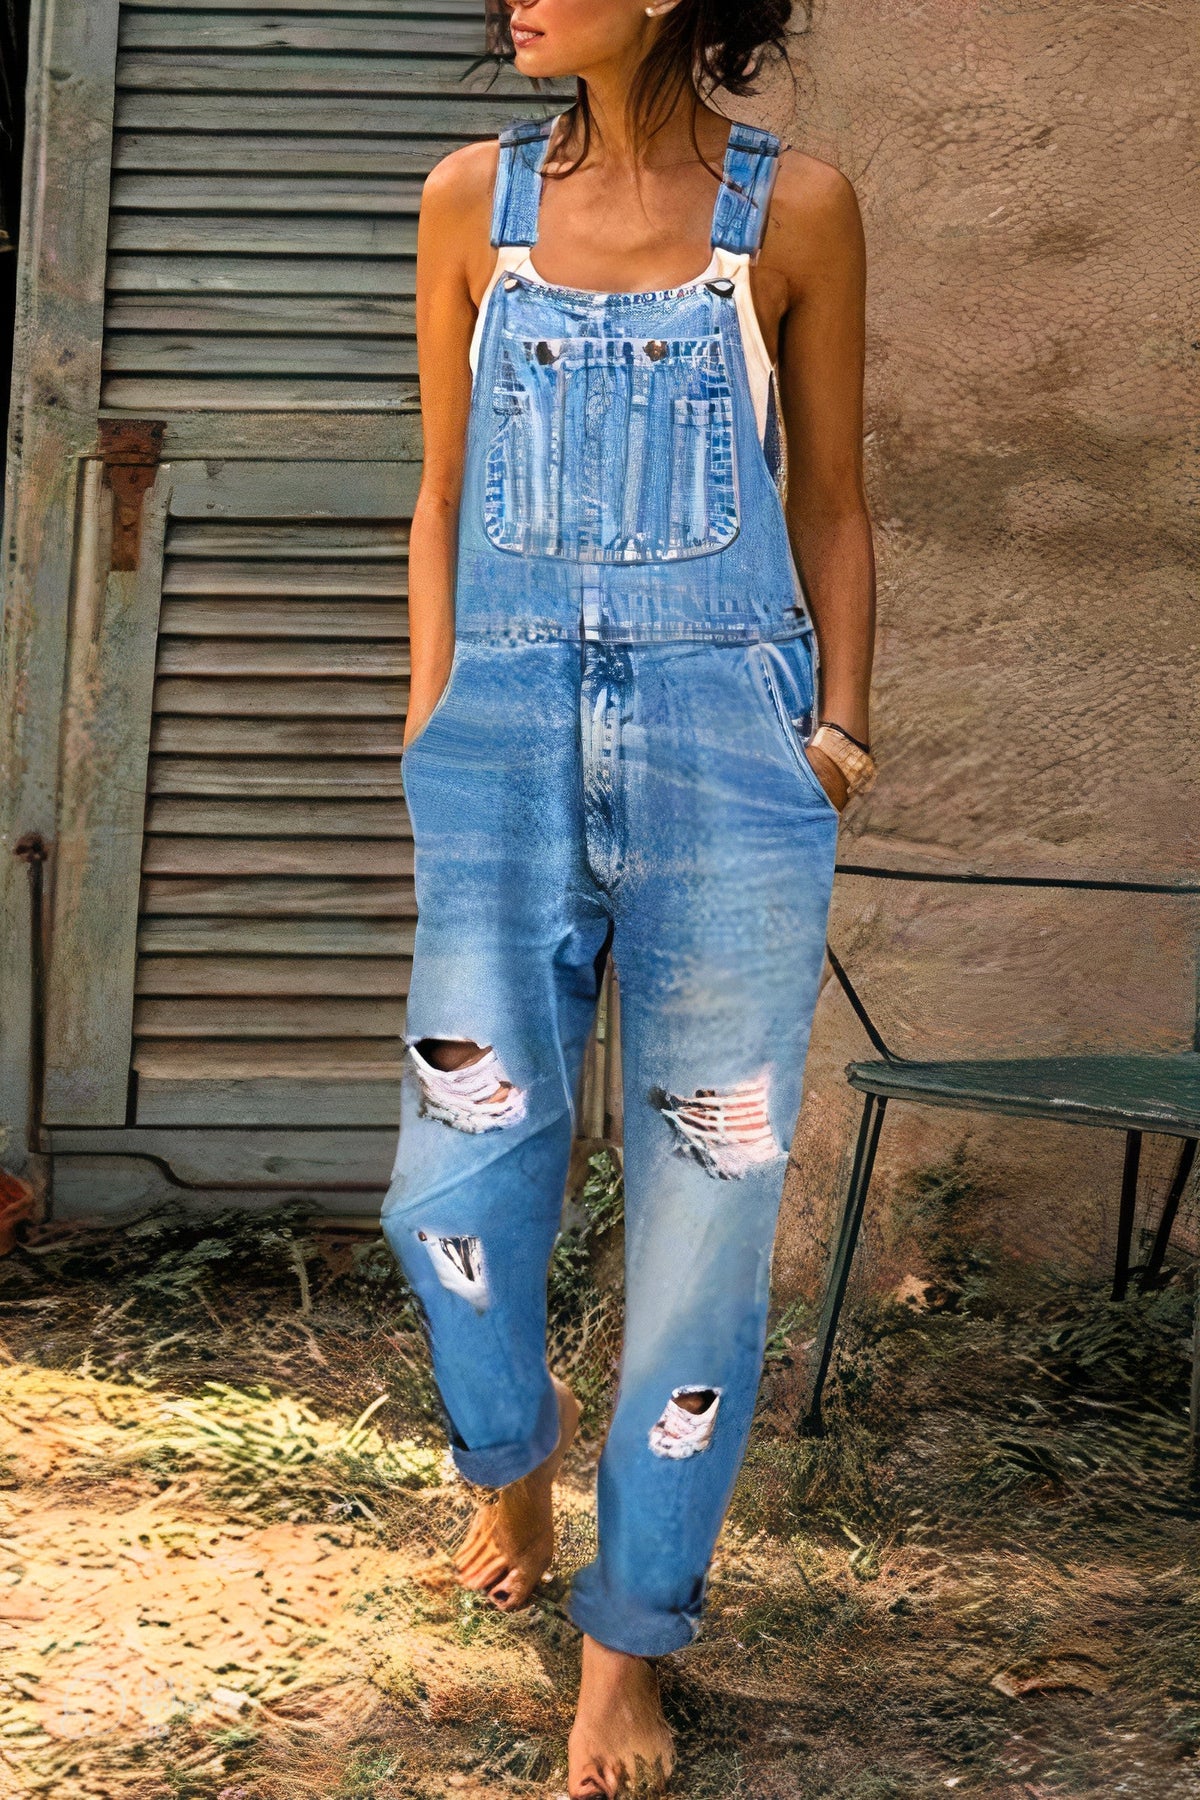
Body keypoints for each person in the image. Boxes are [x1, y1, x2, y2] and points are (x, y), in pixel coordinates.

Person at [381, 1, 875, 1790]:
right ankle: (513, 1452)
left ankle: (628, 1648)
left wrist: (838, 725)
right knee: (449, 1180)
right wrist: (436, 718)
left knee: (706, 1210)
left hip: (726, 760)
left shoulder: (794, 210)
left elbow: (834, 498)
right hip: (501, 743)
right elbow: (440, 495)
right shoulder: (473, 201)